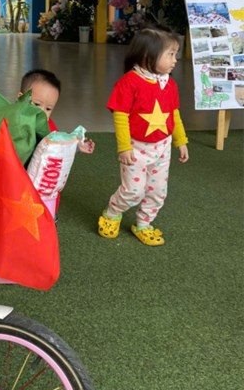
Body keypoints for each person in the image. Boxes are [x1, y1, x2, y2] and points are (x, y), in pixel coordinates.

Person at [98, 27, 189, 247]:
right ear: (148, 55)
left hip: (162, 147)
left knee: (158, 191)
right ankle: (112, 212)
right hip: (136, 148)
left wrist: (181, 140)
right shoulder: (129, 82)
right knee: (133, 191)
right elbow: (120, 116)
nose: (175, 60)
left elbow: (174, 114)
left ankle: (144, 224)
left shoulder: (169, 84)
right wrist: (124, 147)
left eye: (175, 54)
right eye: (170, 54)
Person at [19, 69, 94, 217]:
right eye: (37, 104)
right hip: (16, 184)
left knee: (43, 217)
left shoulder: (50, 129)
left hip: (41, 190)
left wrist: (77, 147)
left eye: (48, 109)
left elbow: (59, 150)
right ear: (20, 98)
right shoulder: (11, 123)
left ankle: (48, 219)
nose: (42, 112)